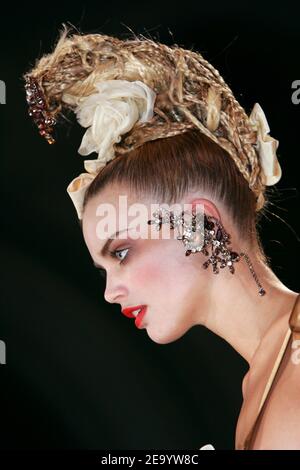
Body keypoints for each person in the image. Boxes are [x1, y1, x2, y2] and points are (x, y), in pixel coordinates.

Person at [24, 26, 300, 450]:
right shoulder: (262, 379)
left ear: (199, 225)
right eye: (103, 270)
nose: (110, 294)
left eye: (122, 252)